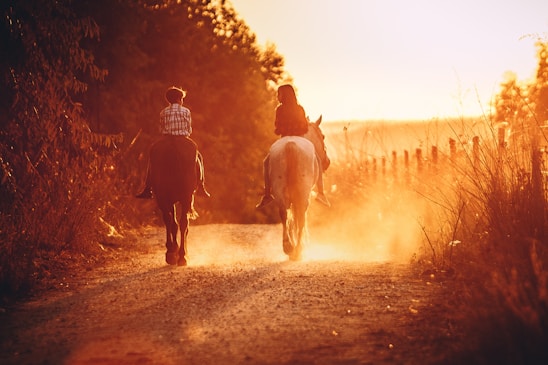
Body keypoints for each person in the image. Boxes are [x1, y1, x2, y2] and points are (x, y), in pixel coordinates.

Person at [256, 84, 329, 209]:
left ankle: (267, 194)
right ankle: (321, 193)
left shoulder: (279, 110)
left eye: (279, 94)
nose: (278, 96)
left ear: (284, 95)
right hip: (300, 137)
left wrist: (281, 130)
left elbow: (277, 127)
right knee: (316, 159)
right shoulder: (300, 109)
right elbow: (305, 127)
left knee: (266, 162)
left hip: (284, 138)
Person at [136, 86, 210, 199]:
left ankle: (148, 188)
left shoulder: (163, 112)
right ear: (179, 99)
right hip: (183, 138)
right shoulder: (186, 111)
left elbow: (161, 128)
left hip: (167, 138)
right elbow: (188, 128)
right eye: (182, 99)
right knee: (198, 156)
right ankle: (201, 186)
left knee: (153, 157)